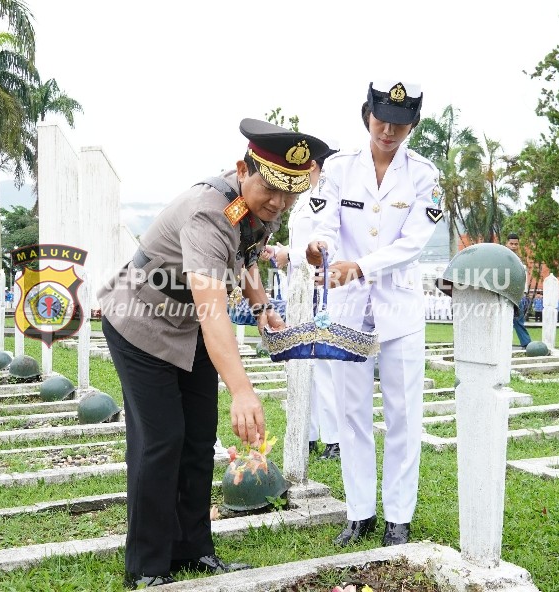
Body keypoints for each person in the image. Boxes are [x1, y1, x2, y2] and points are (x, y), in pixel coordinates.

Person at [98, 118, 330, 588]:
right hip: (141, 321)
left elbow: (245, 257)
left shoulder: (259, 205)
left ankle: (193, 550)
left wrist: (262, 305)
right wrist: (242, 390)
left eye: (290, 194)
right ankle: (146, 567)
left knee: (199, 437)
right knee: (161, 440)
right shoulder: (208, 212)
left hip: (185, 326)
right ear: (244, 168)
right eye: (273, 190)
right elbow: (213, 314)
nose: (280, 203)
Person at [306, 80, 441, 547]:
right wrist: (319, 249)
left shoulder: (424, 175)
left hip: (399, 308)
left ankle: (399, 517)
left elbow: (414, 243)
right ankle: (359, 512)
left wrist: (360, 266)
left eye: (400, 123)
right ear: (367, 114)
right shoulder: (340, 168)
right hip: (347, 308)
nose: (389, 130)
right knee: (351, 413)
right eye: (382, 119)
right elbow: (325, 225)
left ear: (413, 125)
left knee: (405, 414)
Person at [264, 139, 342, 460]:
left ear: (313, 165)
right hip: (299, 288)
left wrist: (289, 254)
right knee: (301, 362)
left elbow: (325, 246)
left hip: (320, 288)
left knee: (322, 363)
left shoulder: (325, 195)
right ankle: (307, 434)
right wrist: (281, 251)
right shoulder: (304, 199)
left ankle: (335, 439)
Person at [506, 234, 532, 348]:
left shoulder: (519, 261)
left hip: (518, 295)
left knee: (518, 320)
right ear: (507, 243)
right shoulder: (503, 257)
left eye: (516, 244)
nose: (513, 246)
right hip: (504, 293)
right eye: (511, 244)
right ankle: (500, 344)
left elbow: (522, 278)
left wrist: (524, 294)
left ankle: (526, 344)